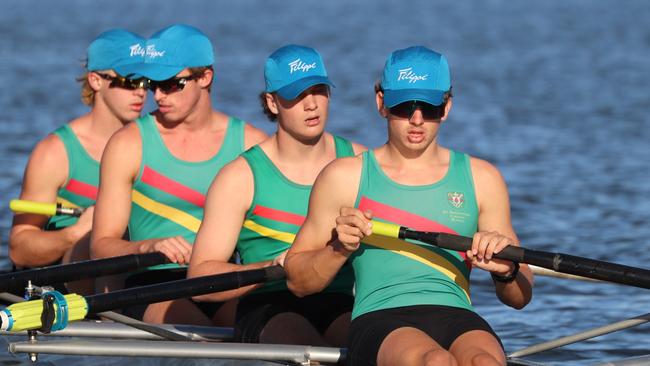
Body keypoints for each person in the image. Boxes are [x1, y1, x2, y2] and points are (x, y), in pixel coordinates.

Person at [284, 46, 534, 366]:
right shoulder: (344, 176)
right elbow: (298, 282)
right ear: (381, 103)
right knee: (435, 362)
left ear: (446, 107)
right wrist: (338, 247)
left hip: (456, 314)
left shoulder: (482, 178)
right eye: (404, 105)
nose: (417, 120)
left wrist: (507, 272)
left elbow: (521, 298)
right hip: (380, 317)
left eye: (429, 107)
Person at [188, 44, 365, 346]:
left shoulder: (361, 163)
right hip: (269, 306)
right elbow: (200, 280)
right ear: (272, 103)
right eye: (297, 94)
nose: (311, 105)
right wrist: (270, 267)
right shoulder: (240, 177)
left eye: (318, 90)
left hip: (342, 303)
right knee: (309, 351)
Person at [90, 24, 267, 325]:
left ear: (205, 77)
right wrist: (148, 246)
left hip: (223, 280)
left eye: (172, 83)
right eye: (151, 83)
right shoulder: (128, 144)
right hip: (153, 283)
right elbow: (100, 246)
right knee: (204, 339)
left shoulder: (251, 143)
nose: (157, 95)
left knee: (261, 325)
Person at [9, 29, 148, 295]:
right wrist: (75, 233)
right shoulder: (55, 152)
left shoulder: (155, 142)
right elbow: (19, 248)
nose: (141, 93)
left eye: (147, 83)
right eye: (130, 82)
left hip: (135, 272)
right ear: (96, 80)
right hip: (71, 279)